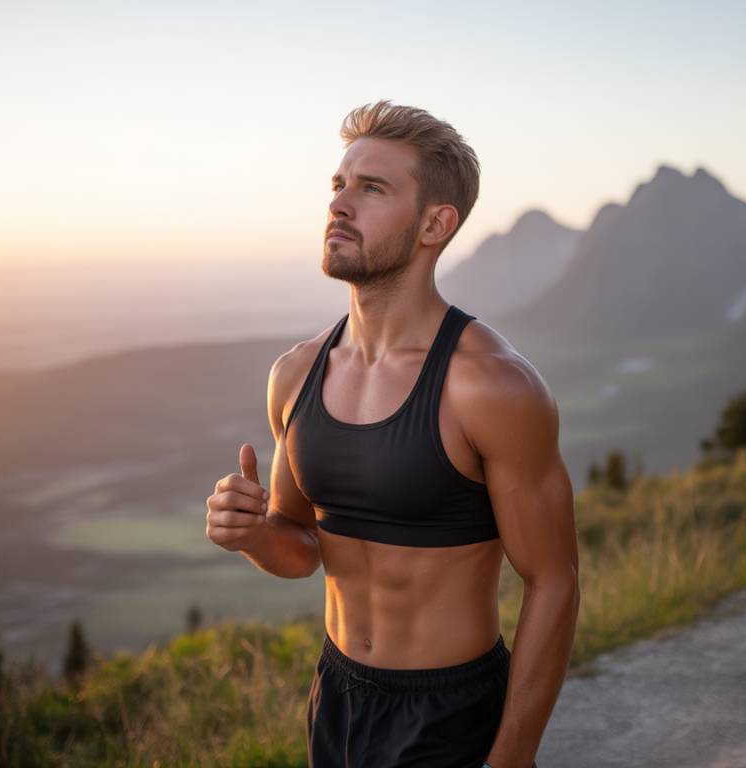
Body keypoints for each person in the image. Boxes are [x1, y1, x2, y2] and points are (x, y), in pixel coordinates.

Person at [206, 100, 580, 768]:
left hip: (453, 715)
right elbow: (301, 546)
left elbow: (554, 579)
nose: (340, 205)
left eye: (372, 188)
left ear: (436, 224)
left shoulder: (492, 385)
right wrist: (255, 534)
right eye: (338, 186)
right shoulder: (294, 374)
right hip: (337, 699)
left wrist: (513, 754)